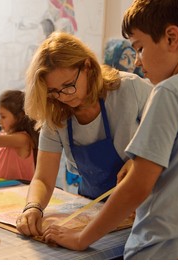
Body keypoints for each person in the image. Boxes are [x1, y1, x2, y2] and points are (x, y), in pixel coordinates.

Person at [42, 0, 178, 260]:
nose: (136, 61)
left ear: (171, 37)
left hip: (168, 251)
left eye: (140, 48)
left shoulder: (168, 92)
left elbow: (138, 185)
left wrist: (82, 237)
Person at [16, 32, 152, 236]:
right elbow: (43, 178)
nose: (62, 97)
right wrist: (33, 207)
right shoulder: (55, 114)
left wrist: (141, 159)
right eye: (53, 91)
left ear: (87, 66)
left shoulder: (130, 90)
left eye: (68, 86)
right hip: (93, 209)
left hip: (142, 212)